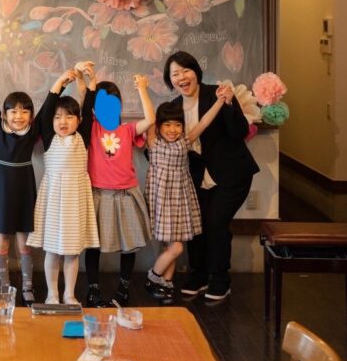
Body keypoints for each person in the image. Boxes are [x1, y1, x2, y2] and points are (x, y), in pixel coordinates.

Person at [164, 50, 257, 302]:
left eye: (186, 70)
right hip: (196, 176)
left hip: (232, 173)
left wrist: (229, 103)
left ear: (196, 72)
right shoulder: (173, 108)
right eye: (175, 74)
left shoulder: (217, 93)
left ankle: (220, 280)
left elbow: (239, 132)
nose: (182, 77)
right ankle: (199, 275)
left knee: (215, 222)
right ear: (170, 80)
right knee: (196, 225)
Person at [0, 67, 58, 305]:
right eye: (13, 111)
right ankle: (4, 287)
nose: (18, 116)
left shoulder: (33, 131)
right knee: (1, 243)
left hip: (23, 192)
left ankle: (27, 287)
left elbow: (49, 104)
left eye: (24, 111)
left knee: (24, 245)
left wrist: (61, 81)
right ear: (4, 114)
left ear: (31, 116)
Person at [77, 63, 156, 307]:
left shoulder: (127, 130)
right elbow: (84, 101)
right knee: (93, 245)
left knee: (128, 245)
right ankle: (93, 288)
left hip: (126, 194)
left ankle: (124, 287)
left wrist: (142, 89)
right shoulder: (92, 129)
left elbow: (150, 119)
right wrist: (86, 78)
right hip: (99, 194)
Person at [27, 69, 99, 305]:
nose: (63, 121)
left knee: (72, 250)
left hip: (76, 198)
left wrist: (92, 82)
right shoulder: (50, 138)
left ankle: (69, 293)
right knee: (52, 250)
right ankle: (53, 293)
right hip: (54, 199)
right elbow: (47, 108)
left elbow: (88, 107)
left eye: (69, 117)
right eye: (58, 117)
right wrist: (59, 81)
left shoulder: (82, 137)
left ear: (79, 120)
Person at [144, 96, 224, 301]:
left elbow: (204, 122)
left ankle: (167, 283)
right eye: (167, 125)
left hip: (180, 200)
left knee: (171, 246)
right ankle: (153, 277)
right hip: (162, 201)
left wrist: (219, 102)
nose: (173, 129)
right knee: (176, 247)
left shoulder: (184, 142)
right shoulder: (153, 142)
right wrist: (143, 88)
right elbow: (150, 117)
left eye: (177, 124)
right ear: (159, 126)